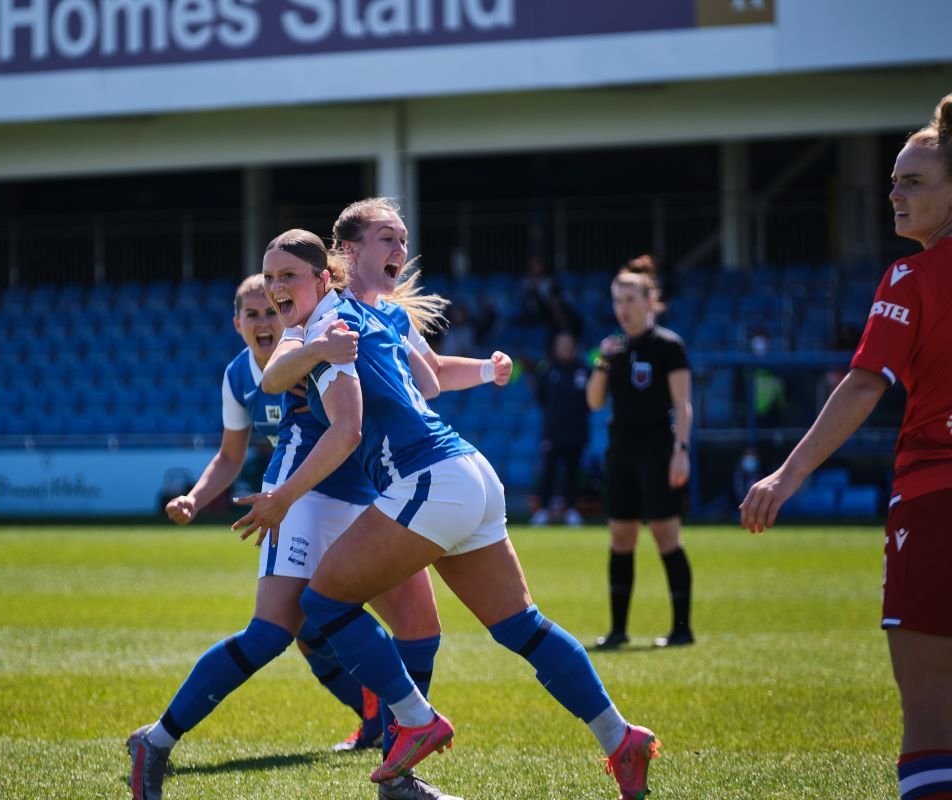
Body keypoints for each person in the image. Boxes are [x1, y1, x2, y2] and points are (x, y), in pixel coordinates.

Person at [235, 229, 658, 799]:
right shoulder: (372, 317)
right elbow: (420, 377)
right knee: (521, 627)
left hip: (426, 475)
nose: (399, 251)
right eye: (388, 238)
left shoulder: (337, 322)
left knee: (323, 602)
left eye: (401, 240)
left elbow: (337, 414)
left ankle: (414, 717)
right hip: (470, 472)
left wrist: (283, 495)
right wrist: (483, 370)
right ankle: (620, 737)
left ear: (326, 272)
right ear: (351, 252)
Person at [127, 274, 452, 800]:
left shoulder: (323, 329)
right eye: (253, 314)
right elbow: (233, 451)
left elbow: (425, 378)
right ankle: (158, 739)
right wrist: (198, 495)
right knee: (273, 633)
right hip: (301, 495)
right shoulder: (268, 363)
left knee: (417, 626)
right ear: (237, 323)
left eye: (273, 309)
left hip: (363, 493)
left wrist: (484, 370)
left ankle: (397, 771)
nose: (264, 321)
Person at [741, 94, 952, 800]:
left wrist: (785, 475)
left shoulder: (911, 278)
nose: (895, 193)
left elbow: (865, 385)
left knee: (929, 723)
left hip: (936, 506)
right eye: (893, 179)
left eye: (913, 181)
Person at [586, 255, 695, 650]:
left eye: (631, 299)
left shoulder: (669, 346)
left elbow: (683, 403)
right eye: (618, 300)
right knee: (620, 539)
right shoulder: (612, 350)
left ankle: (682, 628)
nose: (623, 308)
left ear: (650, 300)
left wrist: (681, 450)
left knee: (667, 536)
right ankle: (618, 630)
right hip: (621, 454)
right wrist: (601, 362)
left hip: (658, 451)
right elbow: (595, 402)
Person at [529, 331, 591, 526]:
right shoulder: (548, 370)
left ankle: (571, 510)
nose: (565, 347)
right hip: (553, 432)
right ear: (556, 347)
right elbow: (541, 398)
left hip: (577, 431)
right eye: (561, 344)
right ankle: (543, 510)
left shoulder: (584, 370)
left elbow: (591, 400)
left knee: (573, 473)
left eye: (568, 343)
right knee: (548, 472)